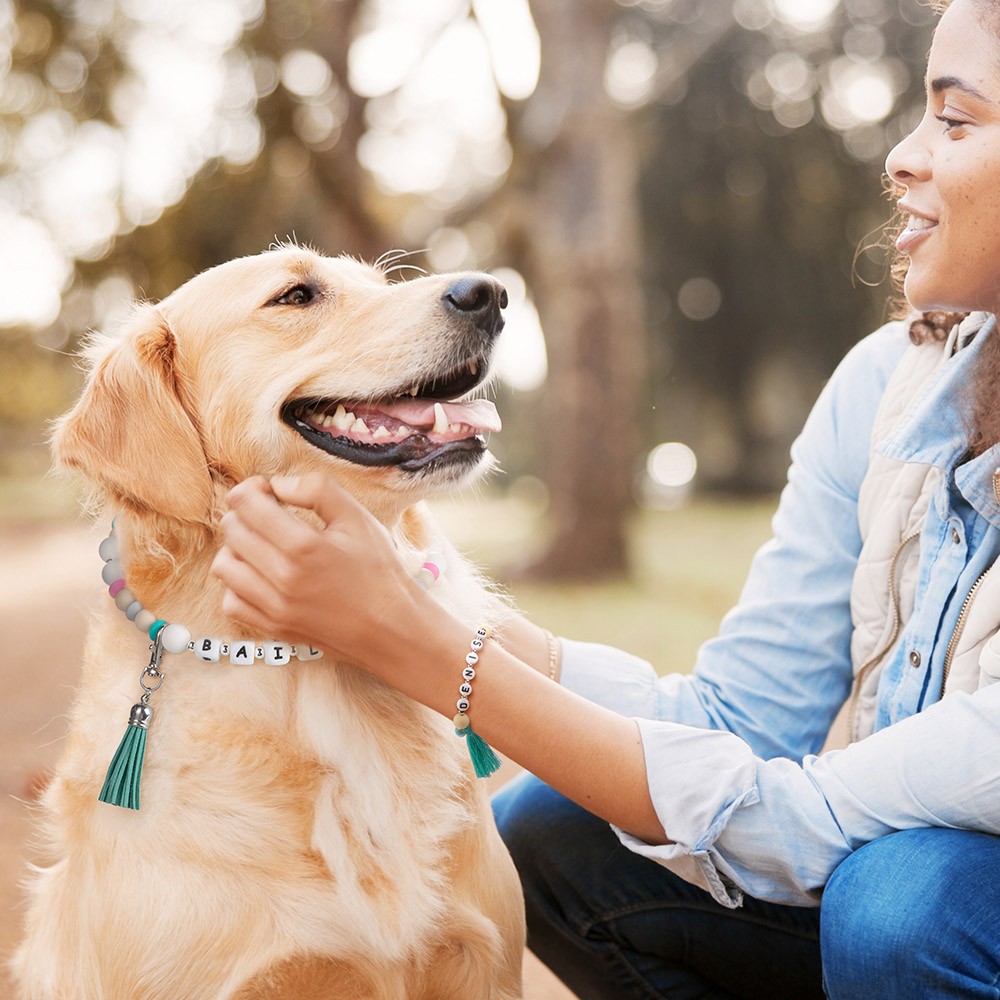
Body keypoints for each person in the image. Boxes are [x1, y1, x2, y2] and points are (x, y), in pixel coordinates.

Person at [211, 1, 1000, 996]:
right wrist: (441, 606)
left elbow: (798, 823)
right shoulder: (884, 384)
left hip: (913, 907)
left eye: (956, 121)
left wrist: (421, 645)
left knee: (900, 904)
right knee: (553, 829)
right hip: (859, 889)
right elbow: (735, 719)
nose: (901, 156)